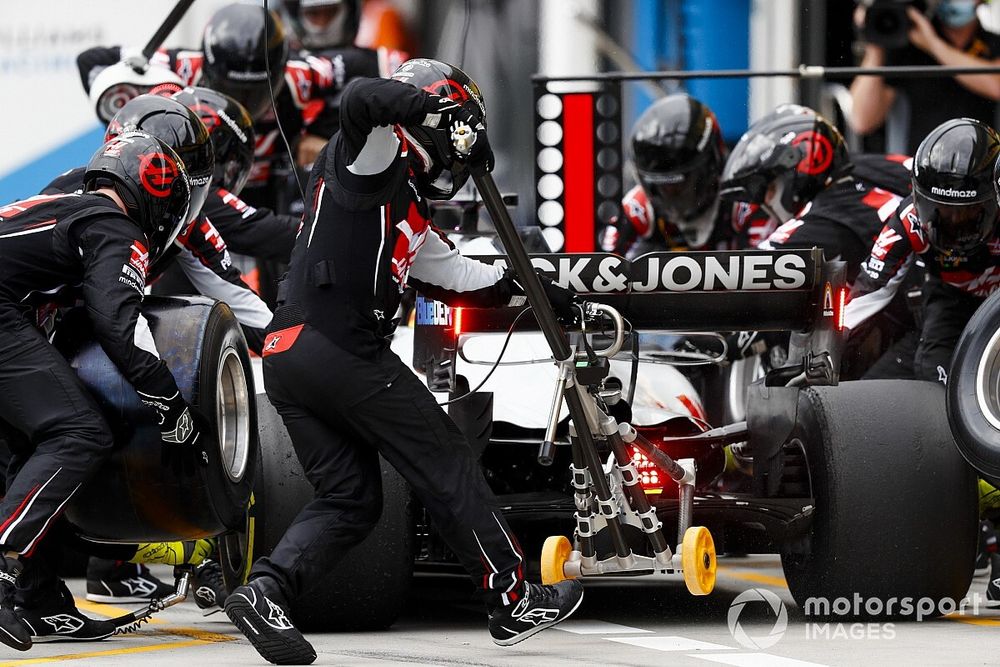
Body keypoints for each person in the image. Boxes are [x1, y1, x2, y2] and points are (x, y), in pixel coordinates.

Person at [223, 59, 583, 665]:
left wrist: (538, 291)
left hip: (292, 355)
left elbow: (460, 274)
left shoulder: (402, 201)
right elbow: (361, 98)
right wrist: (433, 109)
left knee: (352, 498)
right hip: (340, 349)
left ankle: (266, 591)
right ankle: (513, 596)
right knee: (445, 457)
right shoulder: (377, 152)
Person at [39, 93, 270, 614]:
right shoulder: (69, 197)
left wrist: (290, 346)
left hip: (93, 341)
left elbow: (236, 297)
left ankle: (71, 578)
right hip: (40, 334)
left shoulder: (188, 223)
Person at [0, 131, 205, 649]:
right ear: (158, 197)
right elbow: (118, 327)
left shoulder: (67, 206)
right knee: (80, 433)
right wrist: (172, 407)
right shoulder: (115, 226)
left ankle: (40, 601)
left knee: (29, 447)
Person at [719, 104, 918, 377]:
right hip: (946, 298)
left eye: (770, 189)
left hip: (929, 323)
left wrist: (704, 345)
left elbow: (742, 273)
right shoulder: (875, 167)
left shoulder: (825, 217)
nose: (766, 205)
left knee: (840, 401)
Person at [844, 117, 1000, 384]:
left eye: (968, 213)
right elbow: (868, 292)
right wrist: (827, 348)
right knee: (933, 370)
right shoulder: (909, 220)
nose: (954, 223)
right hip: (953, 296)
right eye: (942, 212)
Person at [598, 94, 775, 257]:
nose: (670, 195)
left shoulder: (745, 201)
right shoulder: (637, 208)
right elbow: (604, 270)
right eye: (659, 187)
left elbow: (765, 269)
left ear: (711, 165)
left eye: (678, 185)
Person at [849, 0, 1000, 153]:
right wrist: (875, 45)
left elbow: (996, 86)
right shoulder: (907, 48)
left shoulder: (994, 44)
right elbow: (862, 121)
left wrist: (933, 44)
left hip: (983, 161)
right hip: (918, 162)